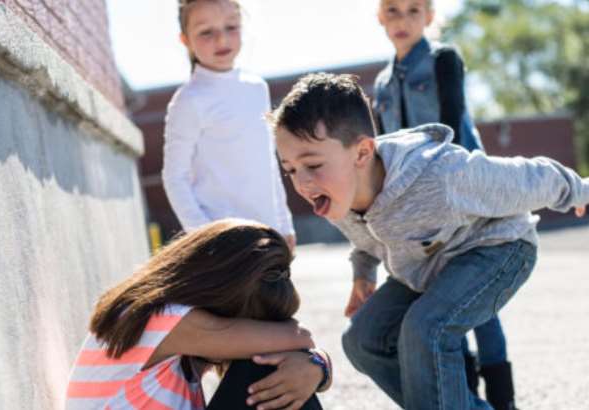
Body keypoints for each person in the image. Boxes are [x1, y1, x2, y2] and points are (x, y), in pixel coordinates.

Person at [270, 73, 588, 410]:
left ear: (362, 152)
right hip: (427, 265)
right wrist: (363, 274)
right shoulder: (338, 195)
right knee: (362, 340)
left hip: (498, 249)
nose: (302, 183)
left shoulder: (440, 175)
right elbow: (364, 239)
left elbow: (524, 177)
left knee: (426, 330)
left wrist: (577, 190)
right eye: (289, 169)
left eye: (313, 165)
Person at [371, 1, 511, 406]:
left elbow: (454, 123)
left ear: (429, 16)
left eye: (413, 10)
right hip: (417, 208)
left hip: (467, 194)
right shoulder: (381, 83)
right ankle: (464, 397)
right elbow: (384, 151)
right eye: (392, 10)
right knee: (442, 300)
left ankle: (503, 401)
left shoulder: (443, 60)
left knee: (479, 303)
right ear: (379, 17)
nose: (402, 20)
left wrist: (466, 199)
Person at [65, 219, 332, 410]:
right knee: (263, 364)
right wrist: (316, 364)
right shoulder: (162, 318)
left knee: (275, 364)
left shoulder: (176, 334)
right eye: (248, 323)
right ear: (222, 294)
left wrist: (316, 367)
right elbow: (300, 336)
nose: (250, 332)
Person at [163, 0, 296, 250]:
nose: (221, 39)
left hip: (269, 234)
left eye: (231, 27)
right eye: (206, 32)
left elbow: (268, 163)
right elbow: (174, 177)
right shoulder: (189, 100)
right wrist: (205, 236)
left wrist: (284, 224)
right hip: (224, 244)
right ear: (186, 40)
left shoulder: (257, 88)